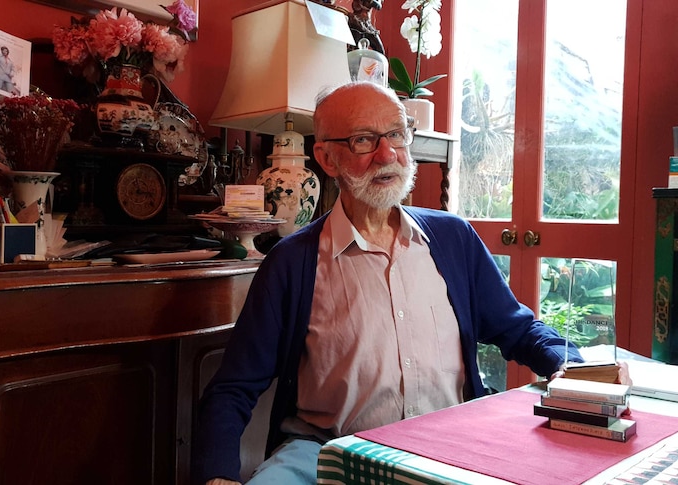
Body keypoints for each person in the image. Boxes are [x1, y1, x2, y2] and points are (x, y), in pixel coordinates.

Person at [192, 81, 621, 485]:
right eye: (363, 140)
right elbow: (232, 388)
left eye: (396, 134)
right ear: (326, 159)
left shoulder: (453, 238)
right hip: (325, 453)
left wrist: (571, 366)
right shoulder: (292, 262)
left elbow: (519, 329)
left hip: (451, 447)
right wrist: (219, 475)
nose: (387, 154)